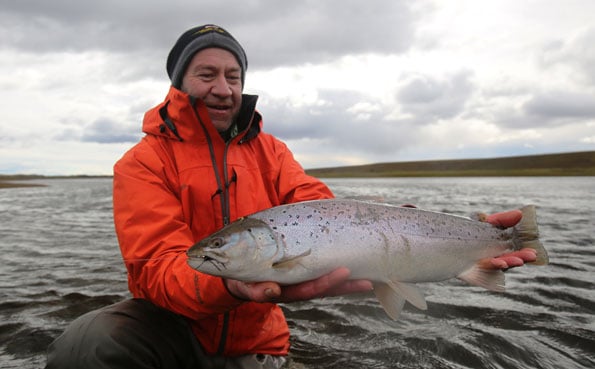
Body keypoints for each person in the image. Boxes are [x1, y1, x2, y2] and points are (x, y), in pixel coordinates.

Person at [45, 24, 538, 369]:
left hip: (259, 340)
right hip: (172, 334)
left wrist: (397, 227)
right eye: (206, 74)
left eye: (233, 76)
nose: (223, 88)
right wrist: (230, 285)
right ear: (178, 83)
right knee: (86, 343)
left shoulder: (271, 151)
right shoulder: (143, 163)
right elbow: (156, 266)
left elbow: (320, 207)